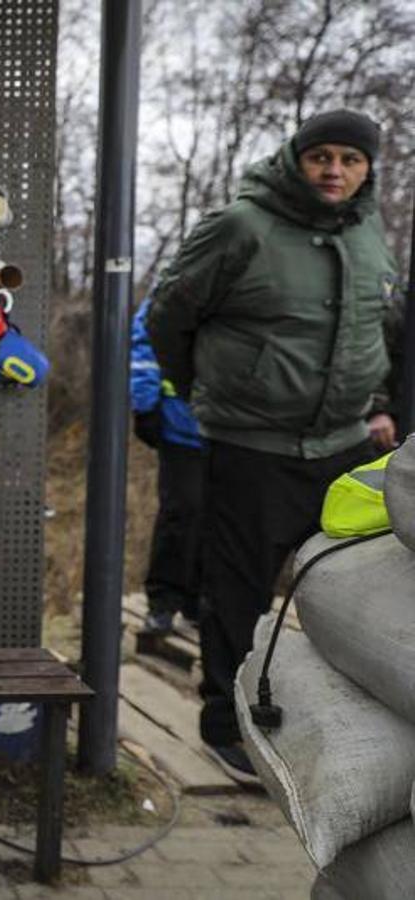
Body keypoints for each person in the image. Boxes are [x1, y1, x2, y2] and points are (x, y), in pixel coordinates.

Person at [148, 109, 400, 784]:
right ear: (296, 159)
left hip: (342, 444)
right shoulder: (239, 227)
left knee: (353, 586)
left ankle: (335, 717)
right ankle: (225, 725)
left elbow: (382, 322)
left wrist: (381, 407)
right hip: (248, 446)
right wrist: (199, 390)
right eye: (321, 157)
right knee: (236, 594)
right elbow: (168, 314)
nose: (334, 172)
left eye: (350, 161)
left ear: (367, 170)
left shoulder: (369, 231)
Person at [130, 295, 202, 635]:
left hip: (241, 432)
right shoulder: (177, 286)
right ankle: (163, 603)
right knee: (180, 515)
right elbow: (144, 341)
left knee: (226, 523)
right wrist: (144, 405)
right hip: (183, 427)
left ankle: (200, 603)